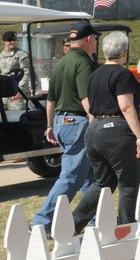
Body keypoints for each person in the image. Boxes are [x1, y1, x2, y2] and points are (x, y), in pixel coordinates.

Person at [71, 31, 140, 234]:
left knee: (104, 182)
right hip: (117, 130)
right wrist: (138, 135)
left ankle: (74, 223)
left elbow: (89, 104)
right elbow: (126, 106)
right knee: (129, 183)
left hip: (94, 130)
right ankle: (127, 228)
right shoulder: (122, 74)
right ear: (124, 52)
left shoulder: (94, 74)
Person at [31, 21, 100, 233]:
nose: (96, 42)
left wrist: (50, 125)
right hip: (78, 122)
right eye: (95, 38)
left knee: (89, 177)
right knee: (70, 178)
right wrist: (95, 123)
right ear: (88, 39)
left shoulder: (61, 63)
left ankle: (96, 220)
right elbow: (86, 98)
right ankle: (41, 222)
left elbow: (50, 100)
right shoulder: (84, 63)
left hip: (62, 121)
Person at [0, 30, 31, 111]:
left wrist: (20, 91)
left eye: (14, 40)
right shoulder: (1, 56)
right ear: (4, 41)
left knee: (17, 119)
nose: (12, 42)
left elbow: (25, 73)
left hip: (16, 95)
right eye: (10, 40)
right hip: (3, 95)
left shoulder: (21, 54)